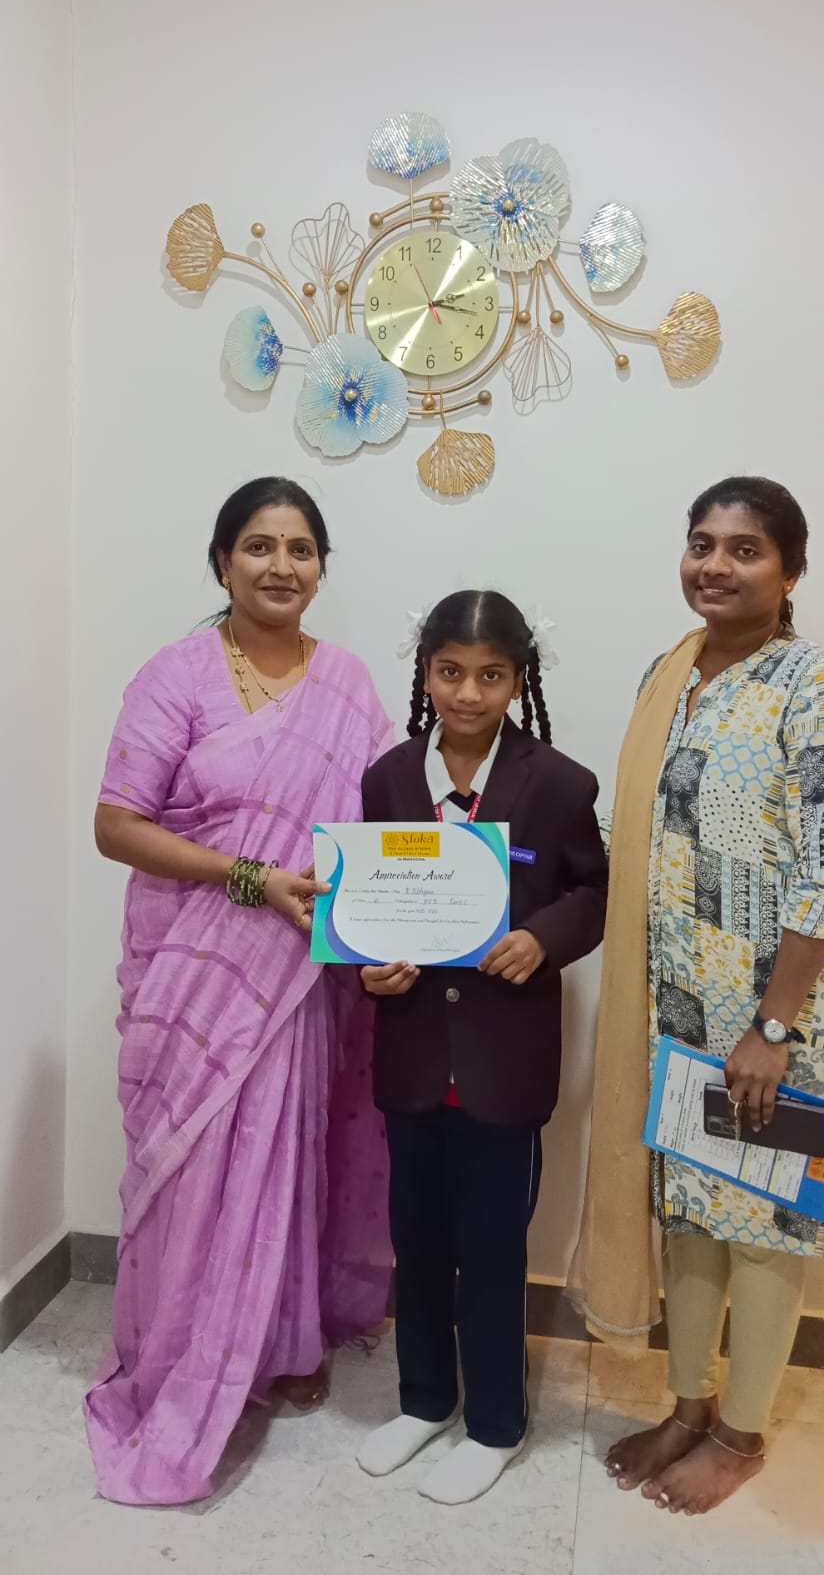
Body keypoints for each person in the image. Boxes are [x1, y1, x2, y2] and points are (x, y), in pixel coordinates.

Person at [571, 477, 824, 1516]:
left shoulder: (820, 686)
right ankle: (688, 1405)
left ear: (789, 570)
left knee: (766, 1221)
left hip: (781, 1014)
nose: (714, 564)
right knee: (694, 1213)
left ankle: (740, 1434)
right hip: (682, 1007)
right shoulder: (674, 674)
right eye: (700, 542)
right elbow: (638, 832)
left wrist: (773, 1025)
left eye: (743, 549)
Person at [85, 476, 394, 1505]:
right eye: (258, 546)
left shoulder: (346, 683)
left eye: (300, 549)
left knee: (286, 1154)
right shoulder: (173, 675)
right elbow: (116, 824)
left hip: (299, 978)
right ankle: (180, 1356)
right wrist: (248, 877)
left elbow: (380, 822)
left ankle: (280, 1339)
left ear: (321, 569)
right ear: (222, 562)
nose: (279, 566)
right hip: (194, 970)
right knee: (191, 1166)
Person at [355, 591, 608, 1504]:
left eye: (490, 675)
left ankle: (496, 1422)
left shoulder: (559, 783)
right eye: (449, 672)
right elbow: (366, 902)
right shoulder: (387, 778)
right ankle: (424, 1400)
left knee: (493, 1248)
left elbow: (592, 893)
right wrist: (367, 967)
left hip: (504, 1064)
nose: (467, 693)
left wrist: (542, 936)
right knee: (416, 1240)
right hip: (413, 1056)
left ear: (518, 678)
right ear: (424, 672)